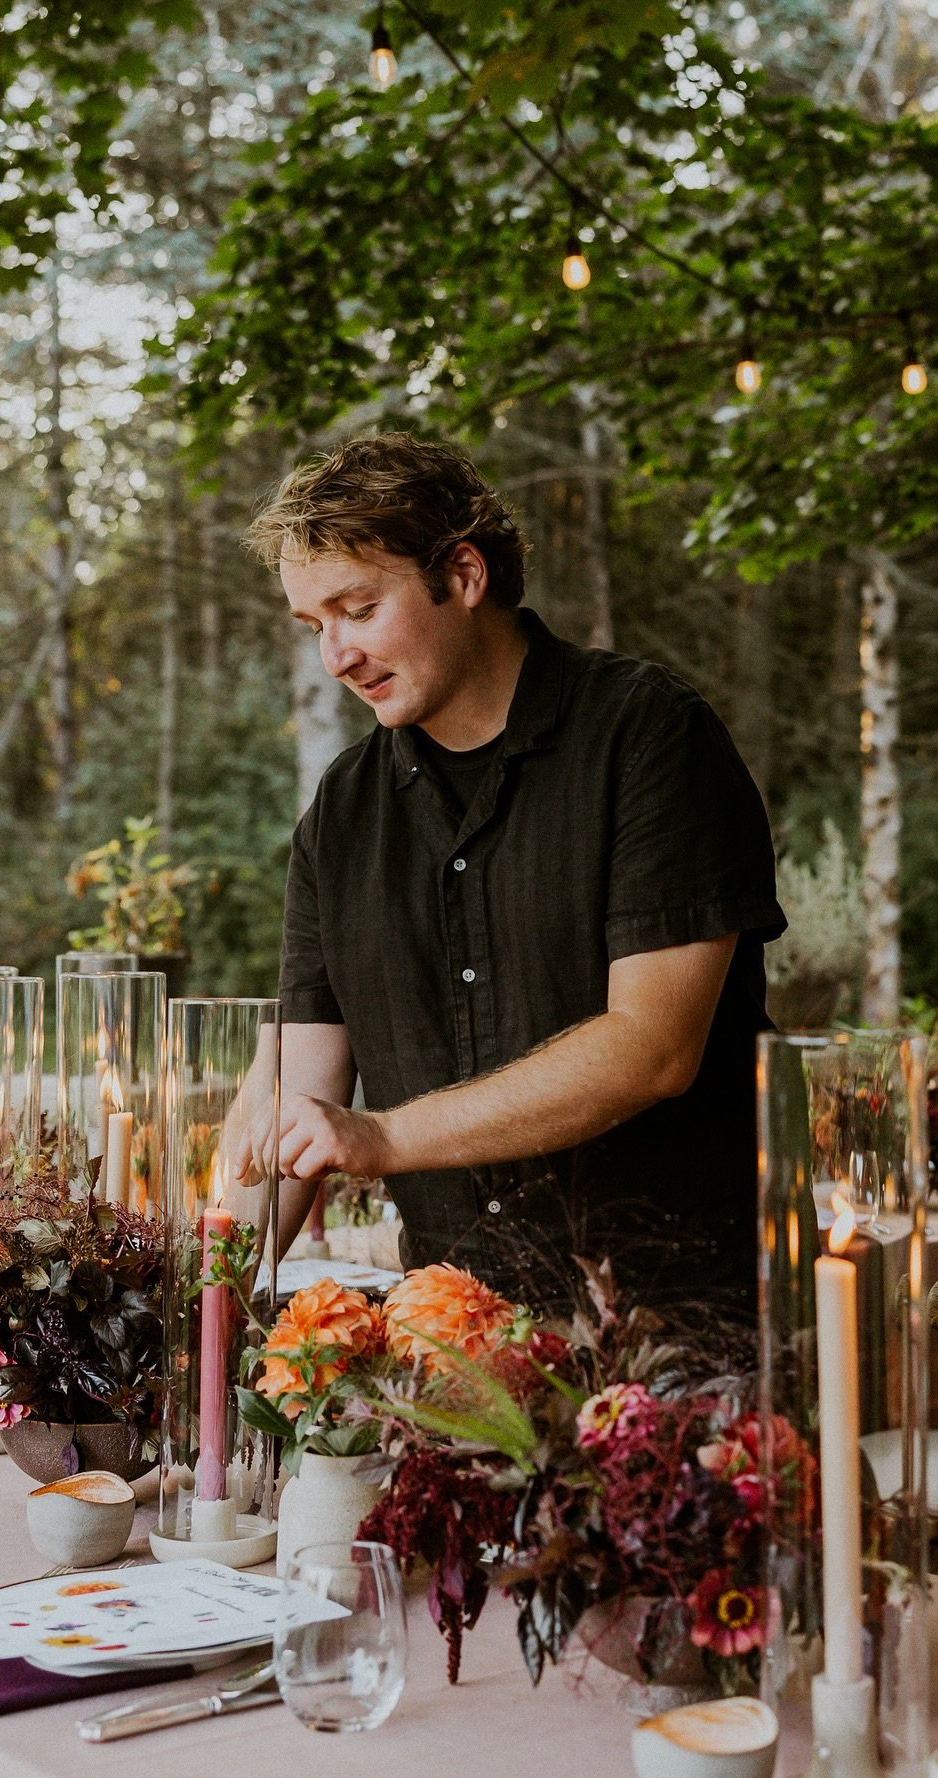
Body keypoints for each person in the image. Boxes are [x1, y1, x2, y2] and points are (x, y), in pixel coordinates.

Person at [245, 433, 785, 1315]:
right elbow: (292, 1094)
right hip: (447, 1354)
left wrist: (382, 1136)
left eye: (358, 609)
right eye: (315, 626)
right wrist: (188, 1308)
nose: (335, 657)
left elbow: (652, 1047)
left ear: (462, 576)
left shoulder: (650, 736)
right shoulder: (342, 811)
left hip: (673, 1344)